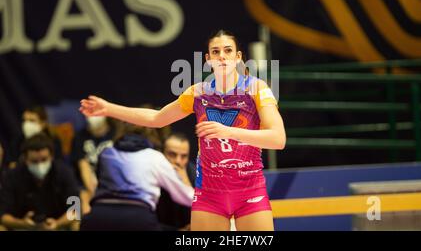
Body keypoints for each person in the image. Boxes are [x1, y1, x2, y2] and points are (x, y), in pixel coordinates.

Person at [79, 29, 286, 231]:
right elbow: (157, 118)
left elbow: (278, 139)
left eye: (228, 50)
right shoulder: (197, 93)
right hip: (210, 194)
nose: (222, 56)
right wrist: (109, 109)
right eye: (215, 52)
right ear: (208, 59)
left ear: (238, 57)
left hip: (250, 190)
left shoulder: (257, 89)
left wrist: (229, 132)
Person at [79, 123, 194, 231]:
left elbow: (96, 187)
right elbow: (186, 196)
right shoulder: (154, 157)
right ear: (153, 136)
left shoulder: (107, 153)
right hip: (138, 219)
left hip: (97, 217)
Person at [0, 133, 80, 231]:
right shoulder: (12, 176)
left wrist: (57, 224)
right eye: (34, 161)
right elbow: (3, 216)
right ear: (25, 159)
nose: (40, 165)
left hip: (58, 225)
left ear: (51, 156)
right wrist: (22, 224)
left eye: (44, 160)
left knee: (77, 224)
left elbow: (75, 209)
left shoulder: (65, 173)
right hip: (22, 226)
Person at [157, 133, 195, 230]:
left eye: (184, 156)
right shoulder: (153, 172)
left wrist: (186, 182)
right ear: (162, 153)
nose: (178, 161)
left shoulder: (194, 173)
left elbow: (204, 209)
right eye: (172, 154)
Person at [70, 116, 116, 198]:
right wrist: (92, 191)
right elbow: (83, 165)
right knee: (84, 199)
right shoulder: (80, 136)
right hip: (87, 184)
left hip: (112, 182)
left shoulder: (116, 133)